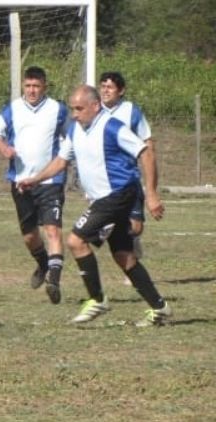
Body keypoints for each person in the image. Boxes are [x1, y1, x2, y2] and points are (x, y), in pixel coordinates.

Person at [17, 85, 170, 327]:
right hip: (104, 199)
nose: (74, 114)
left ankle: (97, 299)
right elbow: (60, 161)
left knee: (76, 241)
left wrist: (151, 194)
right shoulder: (76, 130)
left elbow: (146, 152)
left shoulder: (112, 126)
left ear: (95, 106)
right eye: (72, 109)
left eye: (79, 109)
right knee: (124, 256)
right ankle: (159, 307)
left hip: (118, 195)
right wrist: (34, 179)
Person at [0, 66, 69, 304]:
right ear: (23, 86)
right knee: (29, 236)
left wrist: (65, 160)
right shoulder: (12, 109)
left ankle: (54, 279)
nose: (32, 90)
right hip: (21, 181)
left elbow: (71, 137)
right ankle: (44, 264)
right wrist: (4, 149)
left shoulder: (58, 109)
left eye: (36, 86)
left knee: (53, 230)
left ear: (45, 86)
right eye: (28, 86)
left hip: (50, 181)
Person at [99, 72, 154, 285]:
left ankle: (134, 243)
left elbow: (147, 142)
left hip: (129, 178)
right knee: (108, 225)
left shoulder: (131, 111)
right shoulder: (94, 111)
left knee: (136, 227)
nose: (105, 90)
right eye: (102, 85)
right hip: (104, 181)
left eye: (110, 87)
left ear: (121, 90)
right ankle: (92, 262)